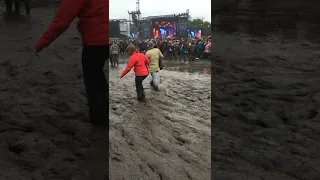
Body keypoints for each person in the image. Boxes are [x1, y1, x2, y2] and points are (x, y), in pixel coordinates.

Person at [33, 0, 109, 126]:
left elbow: (60, 22)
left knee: (93, 80)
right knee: (98, 75)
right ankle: (106, 110)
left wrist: (39, 45)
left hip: (95, 41)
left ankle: (100, 121)